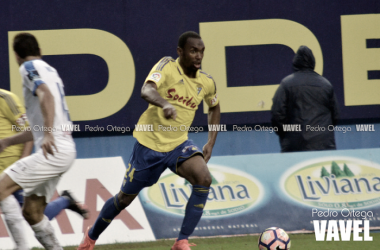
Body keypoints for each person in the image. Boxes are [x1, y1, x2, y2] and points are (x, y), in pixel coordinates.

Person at [78, 31, 220, 250]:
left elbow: (214, 106)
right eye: (193, 51)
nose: (198, 56)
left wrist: (211, 141)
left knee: (204, 179)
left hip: (178, 145)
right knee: (123, 200)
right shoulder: (166, 66)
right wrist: (164, 104)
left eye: (201, 51)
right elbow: (146, 90)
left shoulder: (207, 82)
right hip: (149, 146)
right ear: (180, 52)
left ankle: (181, 241)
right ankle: (91, 237)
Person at [0, 33, 77, 250]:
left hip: (53, 150)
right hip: (63, 149)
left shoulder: (28, 67)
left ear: (15, 55)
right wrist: (9, 141)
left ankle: (21, 247)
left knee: (0, 189)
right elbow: (38, 127)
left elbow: (46, 95)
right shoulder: (50, 70)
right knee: (32, 212)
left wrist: (49, 134)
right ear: (40, 50)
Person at [0, 88, 88, 250]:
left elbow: (30, 129)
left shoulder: (5, 98)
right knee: (32, 213)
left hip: (13, 168)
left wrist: (23, 160)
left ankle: (64, 201)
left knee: (35, 214)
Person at [271, 45, 339, 152]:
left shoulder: (286, 84)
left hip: (295, 146)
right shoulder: (326, 85)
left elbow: (277, 114)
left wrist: (288, 134)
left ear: (295, 62)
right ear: (313, 63)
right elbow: (336, 116)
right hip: (323, 145)